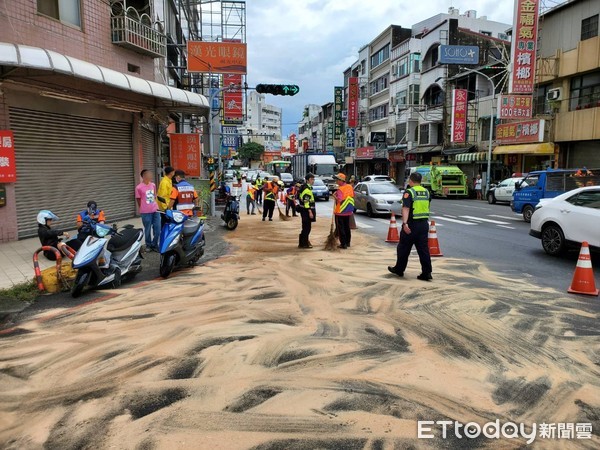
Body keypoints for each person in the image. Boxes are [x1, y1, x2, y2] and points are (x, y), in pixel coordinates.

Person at [388, 172, 433, 281]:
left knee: (403, 248)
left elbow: (406, 208)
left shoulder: (409, 192)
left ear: (411, 180)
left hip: (412, 225)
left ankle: (399, 269)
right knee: (423, 250)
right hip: (423, 224)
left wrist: (405, 223)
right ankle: (427, 273)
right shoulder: (426, 192)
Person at [136, 169, 161, 251]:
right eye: (147, 174)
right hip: (145, 212)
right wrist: (143, 207)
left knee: (157, 228)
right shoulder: (139, 187)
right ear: (143, 176)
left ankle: (155, 244)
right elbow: (138, 199)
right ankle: (148, 245)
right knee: (147, 229)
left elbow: (154, 196)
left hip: (155, 210)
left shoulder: (153, 185)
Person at [333, 173, 355, 249]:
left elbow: (339, 200)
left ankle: (343, 244)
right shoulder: (350, 187)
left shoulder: (340, 189)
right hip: (348, 210)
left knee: (341, 228)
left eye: (337, 180)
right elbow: (352, 196)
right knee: (347, 227)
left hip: (340, 211)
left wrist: (334, 196)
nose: (336, 181)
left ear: (340, 180)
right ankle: (348, 242)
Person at [297, 173, 316, 248]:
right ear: (307, 180)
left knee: (305, 227)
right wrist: (310, 212)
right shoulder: (307, 190)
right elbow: (306, 202)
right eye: (311, 179)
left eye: (313, 179)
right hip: (306, 211)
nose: (313, 181)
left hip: (303, 210)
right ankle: (304, 243)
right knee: (307, 228)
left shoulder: (304, 188)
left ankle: (302, 243)